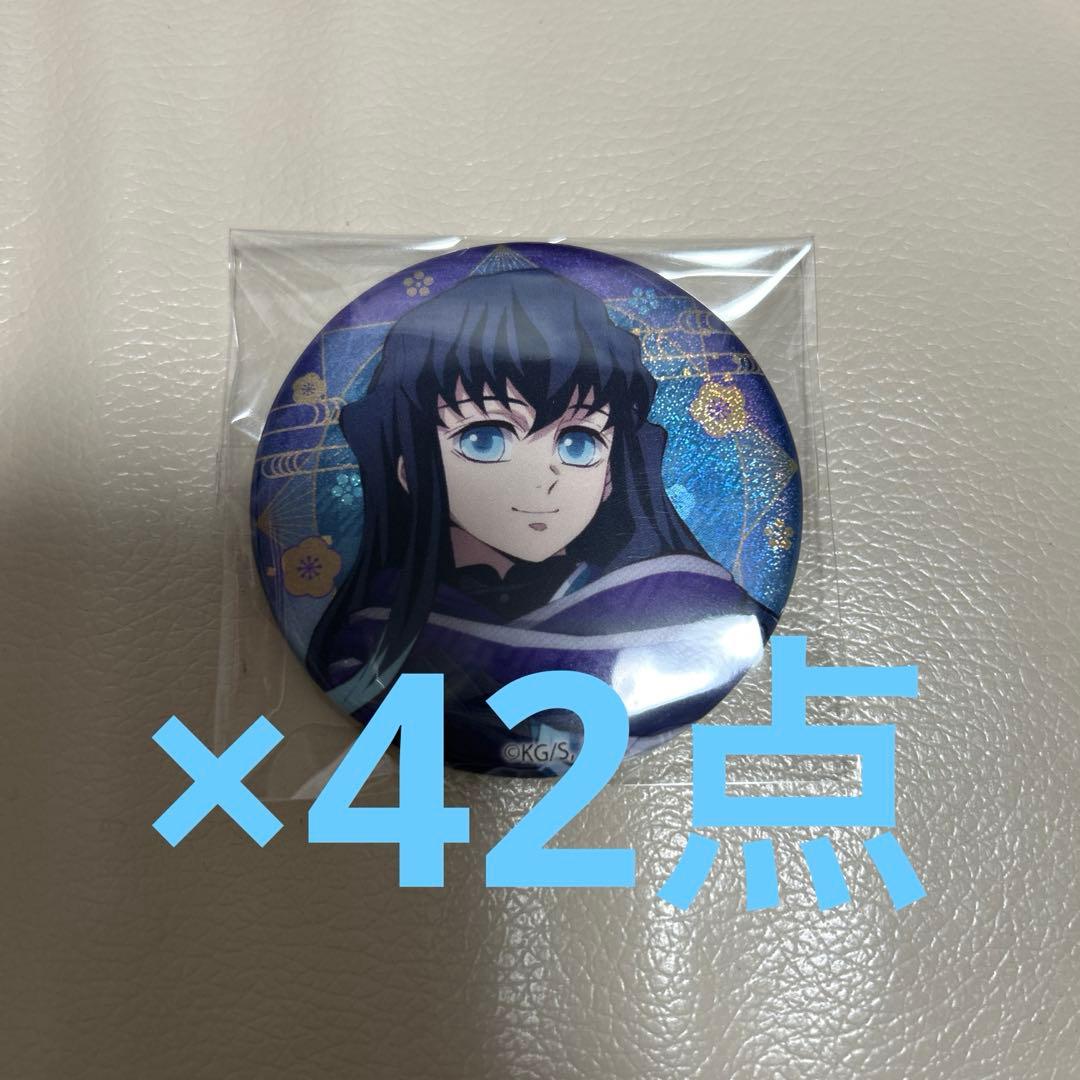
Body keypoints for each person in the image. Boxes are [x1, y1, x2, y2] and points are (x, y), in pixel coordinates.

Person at [306, 266, 777, 773]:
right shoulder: (373, 637)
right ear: (409, 467)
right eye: (484, 438)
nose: (541, 480)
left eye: (578, 443)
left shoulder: (688, 608)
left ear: (612, 475)